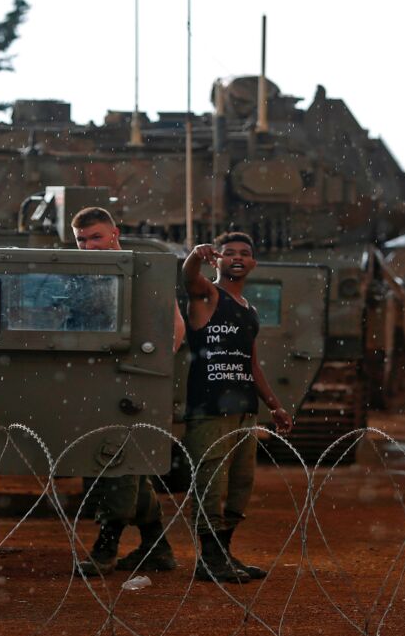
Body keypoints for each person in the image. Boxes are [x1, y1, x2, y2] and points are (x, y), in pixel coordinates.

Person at [70, 206, 184, 577]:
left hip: (131, 382)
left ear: (115, 233)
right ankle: (157, 544)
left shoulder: (141, 270)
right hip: (96, 383)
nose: (88, 246)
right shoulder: (81, 275)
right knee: (124, 464)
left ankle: (107, 545)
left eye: (96, 237)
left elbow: (175, 325)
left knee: (115, 465)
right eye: (81, 240)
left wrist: (150, 370)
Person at [182, 232, 293, 582]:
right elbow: (188, 279)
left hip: (245, 410)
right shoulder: (208, 295)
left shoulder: (250, 310)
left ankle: (223, 552)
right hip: (209, 408)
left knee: (239, 486)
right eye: (229, 253)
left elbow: (253, 365)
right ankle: (210, 558)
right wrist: (195, 257)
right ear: (217, 261)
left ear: (254, 263)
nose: (238, 258)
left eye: (245, 253)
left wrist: (275, 407)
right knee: (210, 483)